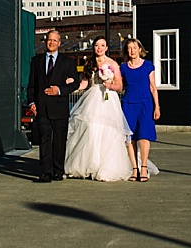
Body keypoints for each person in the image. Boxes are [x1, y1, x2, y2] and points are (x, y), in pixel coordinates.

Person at [63, 35, 134, 181]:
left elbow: (120, 86)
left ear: (107, 48)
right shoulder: (89, 63)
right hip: (93, 97)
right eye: (96, 45)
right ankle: (88, 165)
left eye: (102, 45)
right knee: (90, 129)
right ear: (93, 47)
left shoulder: (113, 64)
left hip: (108, 98)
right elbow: (84, 83)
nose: (99, 48)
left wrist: (110, 85)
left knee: (108, 131)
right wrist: (72, 85)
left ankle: (106, 167)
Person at [26, 30, 80, 182]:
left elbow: (75, 83)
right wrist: (31, 102)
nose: (51, 43)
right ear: (45, 41)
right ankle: (46, 171)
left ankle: (58, 170)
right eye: (49, 40)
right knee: (45, 140)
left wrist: (60, 90)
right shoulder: (36, 61)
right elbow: (32, 85)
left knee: (59, 141)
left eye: (54, 40)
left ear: (59, 43)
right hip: (41, 108)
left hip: (60, 107)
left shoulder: (68, 62)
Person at [118, 38, 160, 182]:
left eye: (134, 48)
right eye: (129, 48)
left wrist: (157, 106)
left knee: (143, 136)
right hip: (128, 103)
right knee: (130, 138)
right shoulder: (123, 68)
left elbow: (153, 87)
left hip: (145, 103)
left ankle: (144, 167)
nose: (132, 51)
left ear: (140, 49)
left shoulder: (148, 66)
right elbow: (119, 85)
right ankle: (134, 169)